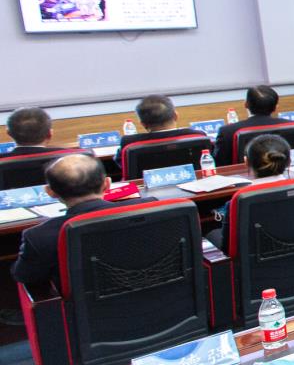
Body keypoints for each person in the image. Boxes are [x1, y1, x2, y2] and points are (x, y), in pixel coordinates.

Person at [12, 154, 152, 291]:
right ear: (107, 184)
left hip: (87, 305)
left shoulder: (39, 237)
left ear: (50, 192)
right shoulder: (149, 208)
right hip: (153, 297)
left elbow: (25, 276)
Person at [209, 134, 291, 248]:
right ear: (289, 162)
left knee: (211, 233)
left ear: (246, 162)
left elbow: (228, 247)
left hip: (256, 255)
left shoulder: (237, 202)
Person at [214, 85, 286, 166]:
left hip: (243, 173)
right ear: (276, 107)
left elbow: (218, 165)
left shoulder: (227, 132)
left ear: (245, 104)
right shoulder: (292, 125)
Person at [117, 94, 206, 156]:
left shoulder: (129, 142)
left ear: (143, 124)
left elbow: (122, 165)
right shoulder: (198, 136)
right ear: (175, 116)